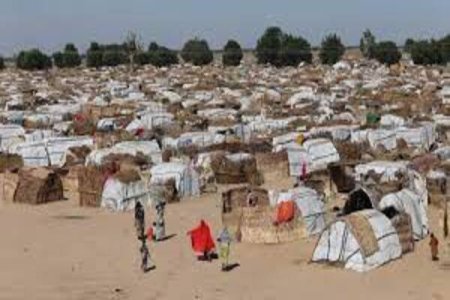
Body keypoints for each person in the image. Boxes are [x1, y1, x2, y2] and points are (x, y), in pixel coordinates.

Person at [134, 202, 155, 272]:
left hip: (141, 235)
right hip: (140, 235)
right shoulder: (138, 214)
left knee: (144, 252)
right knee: (143, 251)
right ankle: (143, 266)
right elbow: (138, 224)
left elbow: (140, 223)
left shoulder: (140, 213)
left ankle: (144, 266)